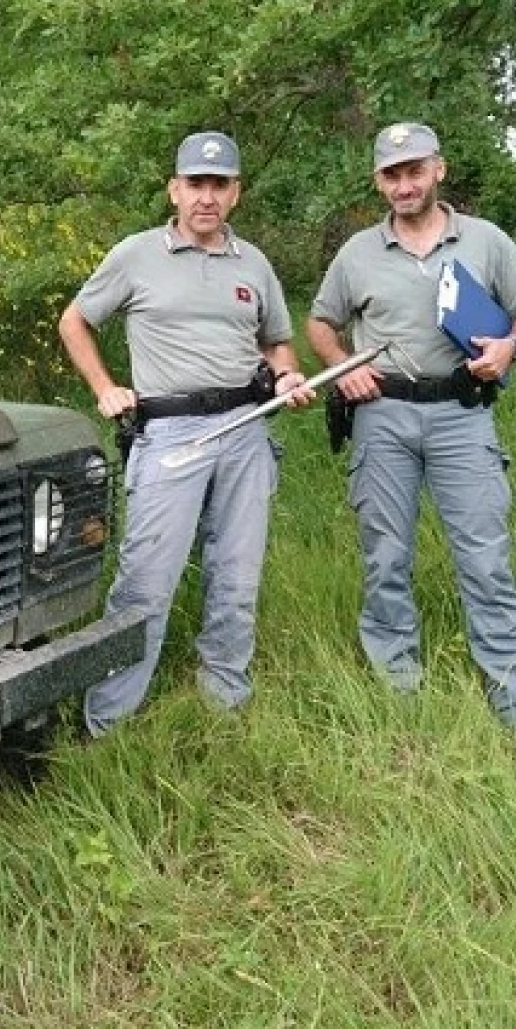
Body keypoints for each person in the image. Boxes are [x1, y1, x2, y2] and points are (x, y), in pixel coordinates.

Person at [58, 130, 313, 737]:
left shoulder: (253, 264)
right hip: (170, 435)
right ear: (174, 189)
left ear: (235, 193)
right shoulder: (136, 255)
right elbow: (74, 321)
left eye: (219, 184)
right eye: (195, 183)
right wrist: (104, 388)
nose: (206, 196)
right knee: (146, 580)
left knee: (237, 573)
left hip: (246, 430)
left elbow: (275, 341)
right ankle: (108, 720)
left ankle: (225, 699)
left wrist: (287, 374)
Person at [305, 122, 516, 731]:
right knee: (385, 558)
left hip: (462, 416)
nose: (405, 184)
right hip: (382, 417)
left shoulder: (486, 240)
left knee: (485, 559)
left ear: (438, 170)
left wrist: (509, 348)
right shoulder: (357, 252)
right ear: (378, 182)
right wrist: (341, 370)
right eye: (392, 174)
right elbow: (320, 323)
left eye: (415, 170)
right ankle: (398, 696)